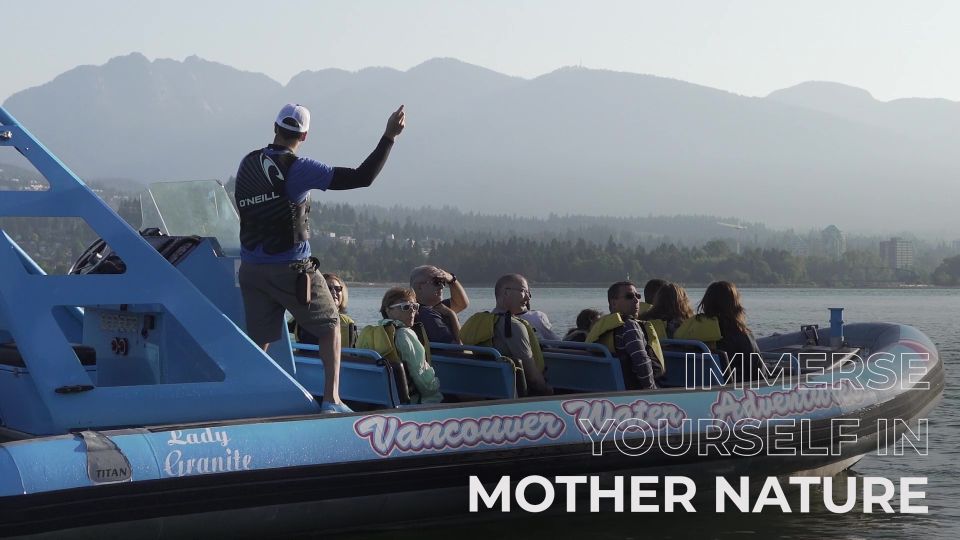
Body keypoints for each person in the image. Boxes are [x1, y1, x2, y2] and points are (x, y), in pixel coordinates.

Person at [235, 102, 405, 414]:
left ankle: (248, 400)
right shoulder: (299, 168)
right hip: (291, 268)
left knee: (260, 339)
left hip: (250, 269)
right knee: (330, 325)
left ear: (275, 128)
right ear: (305, 135)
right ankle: (332, 400)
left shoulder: (247, 162)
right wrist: (389, 137)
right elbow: (362, 177)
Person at [460, 274, 553, 396]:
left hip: (480, 391)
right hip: (514, 398)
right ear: (506, 293)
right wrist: (549, 391)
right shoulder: (514, 327)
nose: (528, 298)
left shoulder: (475, 323)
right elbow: (534, 379)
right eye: (523, 291)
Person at [357, 287, 443, 405]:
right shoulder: (405, 334)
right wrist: (438, 396)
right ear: (388, 310)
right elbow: (421, 376)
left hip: (381, 400)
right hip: (413, 403)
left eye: (415, 306)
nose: (412, 311)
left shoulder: (373, 334)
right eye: (406, 306)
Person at [585, 281, 662, 390]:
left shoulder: (598, 326)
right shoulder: (629, 327)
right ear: (613, 303)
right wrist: (652, 390)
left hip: (603, 388)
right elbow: (641, 362)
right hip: (631, 391)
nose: (636, 300)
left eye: (638, 296)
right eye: (629, 296)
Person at [697, 281, 762, 382]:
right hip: (734, 389)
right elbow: (758, 373)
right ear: (735, 305)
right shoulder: (741, 335)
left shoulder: (695, 333)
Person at [295, 273, 357, 349]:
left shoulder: (348, 323)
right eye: (329, 288)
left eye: (338, 289)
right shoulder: (303, 319)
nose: (334, 292)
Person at [410, 265, 469, 344]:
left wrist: (451, 279)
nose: (442, 286)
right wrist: (452, 315)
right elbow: (459, 349)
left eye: (443, 282)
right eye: (436, 282)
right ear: (420, 287)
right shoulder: (428, 315)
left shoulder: (436, 307)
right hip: (450, 355)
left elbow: (462, 304)